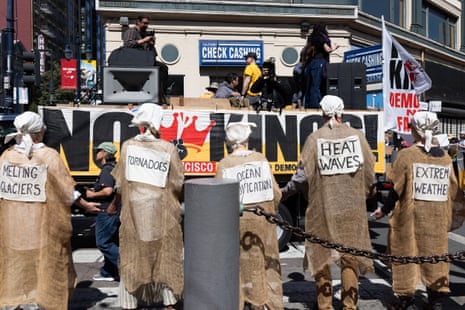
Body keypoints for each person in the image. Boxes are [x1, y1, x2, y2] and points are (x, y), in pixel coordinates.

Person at [0, 111, 101, 310]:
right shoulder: (49, 156)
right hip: (42, 230)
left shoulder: (7, 156)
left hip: (13, 230)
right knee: (43, 271)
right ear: (38, 133)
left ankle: (15, 301)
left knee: (17, 269)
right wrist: (86, 206)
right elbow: (67, 191)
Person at [371, 112, 465, 310]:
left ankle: (406, 298)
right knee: (437, 255)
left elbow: (397, 188)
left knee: (406, 254)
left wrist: (384, 210)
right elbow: (453, 189)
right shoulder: (445, 158)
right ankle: (436, 297)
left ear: (415, 130)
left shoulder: (407, 155)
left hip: (410, 217)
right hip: (437, 218)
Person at [299, 95, 375, 309]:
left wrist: (309, 195)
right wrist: (362, 191)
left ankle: (325, 305)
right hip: (351, 208)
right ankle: (349, 305)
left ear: (323, 113)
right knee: (349, 257)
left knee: (322, 256)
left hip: (323, 207)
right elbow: (369, 170)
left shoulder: (315, 138)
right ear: (342, 112)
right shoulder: (357, 137)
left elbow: (304, 175)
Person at [111, 103, 184, 310]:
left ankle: (129, 302)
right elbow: (178, 181)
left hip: (133, 212)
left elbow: (119, 182)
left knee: (131, 255)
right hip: (162, 211)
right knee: (165, 255)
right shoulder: (167, 148)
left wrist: (115, 204)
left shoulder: (127, 147)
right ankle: (169, 302)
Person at [215, 121, 283, 310]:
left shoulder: (225, 164)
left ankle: (240, 301)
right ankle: (261, 302)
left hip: (237, 225)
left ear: (229, 142)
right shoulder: (260, 159)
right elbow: (276, 193)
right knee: (261, 262)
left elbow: (219, 199)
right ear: (247, 138)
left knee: (238, 265)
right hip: (262, 223)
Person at [86, 142, 120, 282]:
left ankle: (123, 265)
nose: (96, 153)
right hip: (114, 209)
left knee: (103, 242)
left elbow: (107, 191)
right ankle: (108, 272)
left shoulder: (107, 169)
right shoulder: (115, 168)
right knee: (112, 240)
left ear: (105, 153)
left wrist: (91, 195)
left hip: (107, 210)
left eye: (98, 151)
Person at [122, 15, 169, 105]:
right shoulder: (131, 31)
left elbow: (150, 52)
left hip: (145, 60)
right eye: (144, 23)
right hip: (134, 61)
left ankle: (161, 94)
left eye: (147, 23)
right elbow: (127, 44)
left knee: (163, 68)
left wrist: (151, 43)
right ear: (138, 22)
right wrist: (144, 40)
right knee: (161, 69)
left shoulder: (144, 34)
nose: (146, 25)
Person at [302, 23, 339, 109]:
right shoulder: (321, 37)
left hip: (311, 63)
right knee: (317, 85)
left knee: (310, 86)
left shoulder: (312, 37)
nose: (327, 30)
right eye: (326, 28)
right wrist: (334, 48)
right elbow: (327, 49)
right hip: (319, 62)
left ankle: (308, 104)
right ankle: (316, 105)